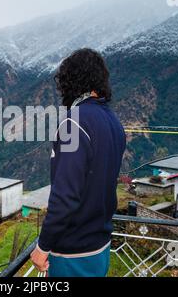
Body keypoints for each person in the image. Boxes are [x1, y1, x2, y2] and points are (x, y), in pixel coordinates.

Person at [30, 48, 126, 277]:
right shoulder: (114, 123)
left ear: (71, 82)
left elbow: (65, 195)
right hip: (100, 245)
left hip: (73, 253)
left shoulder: (74, 123)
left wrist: (43, 247)